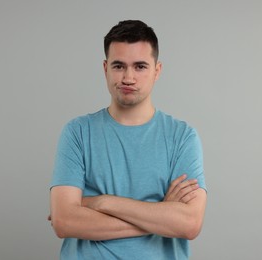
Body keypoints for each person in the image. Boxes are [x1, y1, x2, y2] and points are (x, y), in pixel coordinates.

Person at [49, 20, 207, 260]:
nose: (128, 77)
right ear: (105, 68)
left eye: (140, 66)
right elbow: (64, 222)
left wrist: (101, 202)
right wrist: (160, 215)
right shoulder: (77, 132)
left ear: (157, 70)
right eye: (119, 66)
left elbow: (189, 224)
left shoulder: (182, 137)